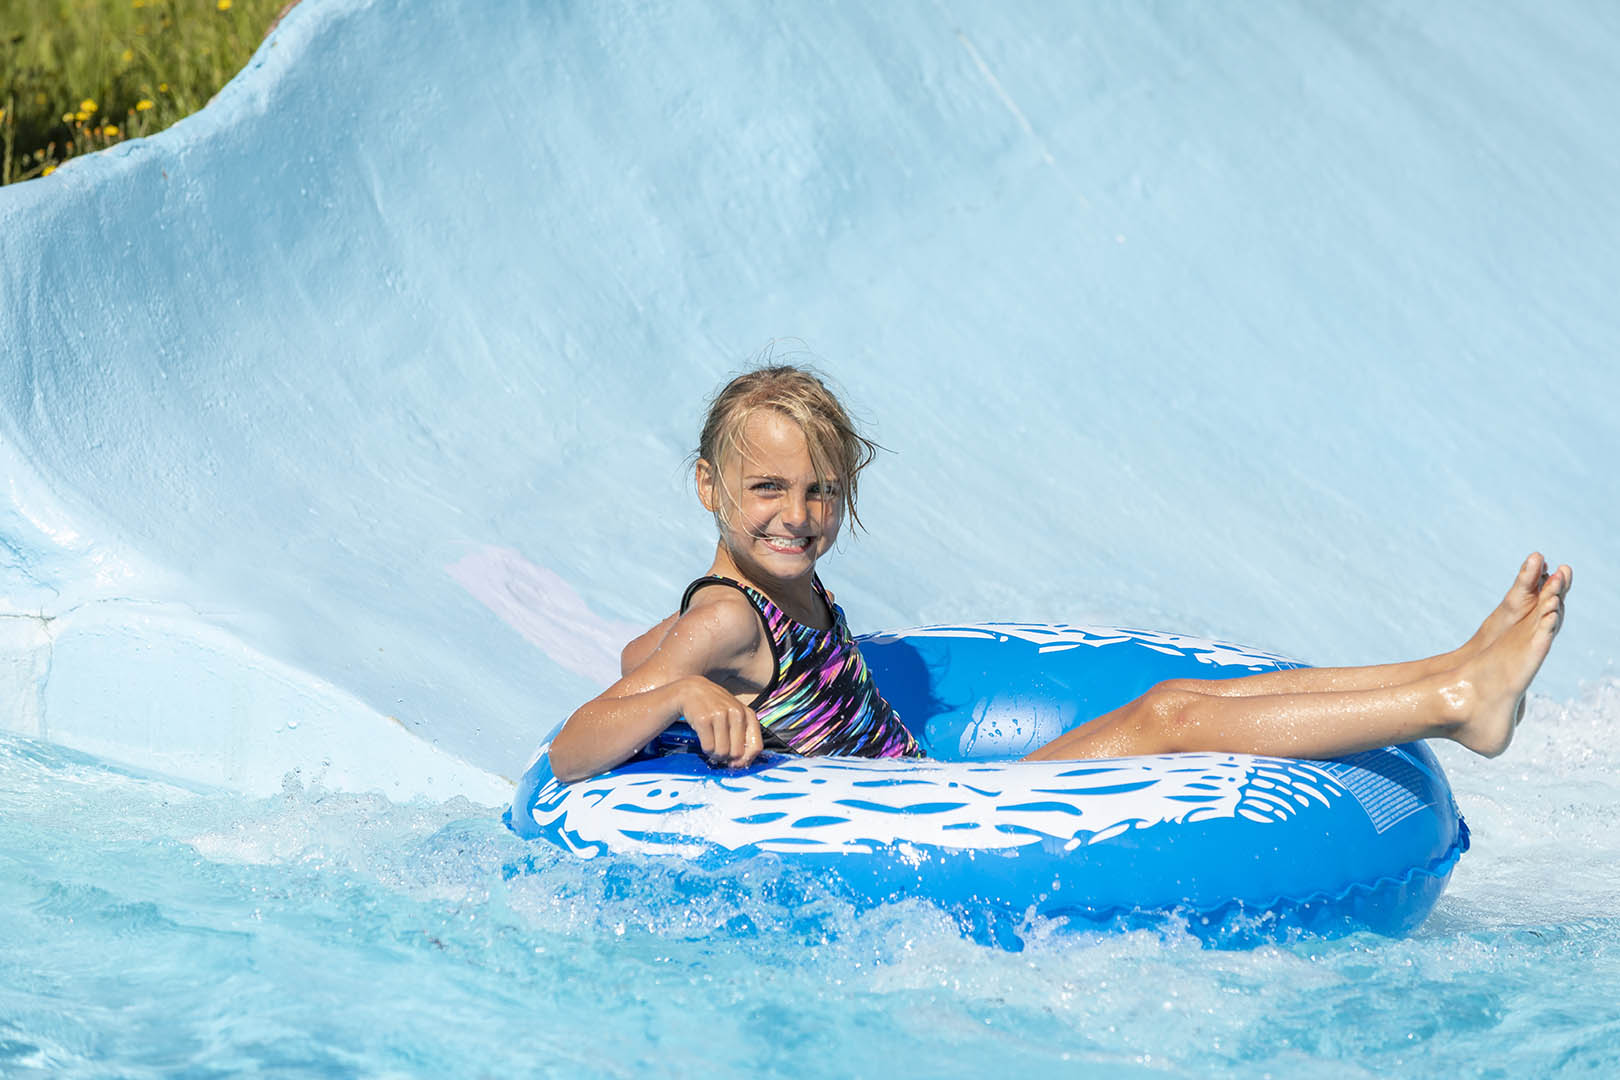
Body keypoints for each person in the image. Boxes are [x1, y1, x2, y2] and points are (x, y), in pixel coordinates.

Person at [546, 365, 1571, 783]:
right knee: (1171, 715)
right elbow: (576, 752)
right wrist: (681, 686)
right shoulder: (730, 622)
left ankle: (1455, 670)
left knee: (1183, 698)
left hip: (929, 796)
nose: (798, 515)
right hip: (925, 827)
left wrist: (672, 668)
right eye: (766, 488)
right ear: (707, 487)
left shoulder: (768, 595)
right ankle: (1450, 699)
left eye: (820, 491)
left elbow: (655, 646)